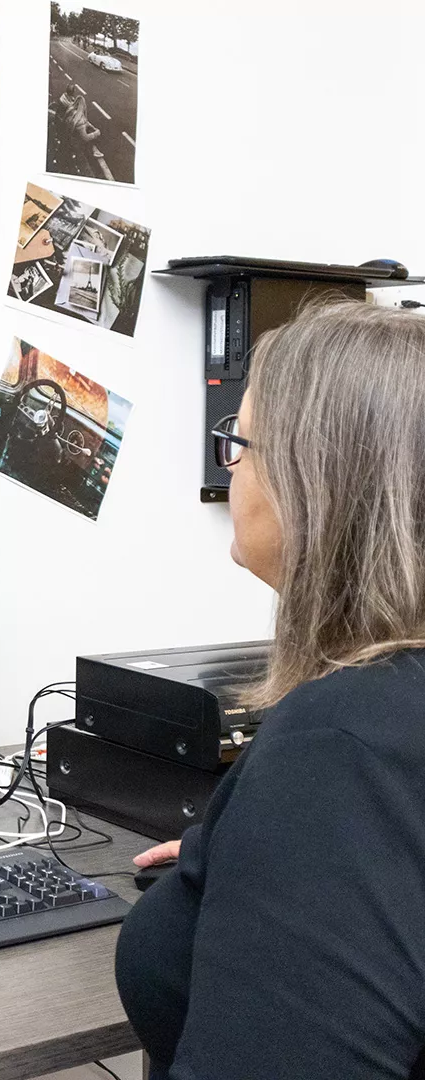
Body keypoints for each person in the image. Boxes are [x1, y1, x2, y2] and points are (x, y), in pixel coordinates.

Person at [115, 302, 425, 1080]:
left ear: (317, 477)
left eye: (240, 444)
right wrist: (255, 851)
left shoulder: (343, 747)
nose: (232, 468)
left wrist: (307, 834)